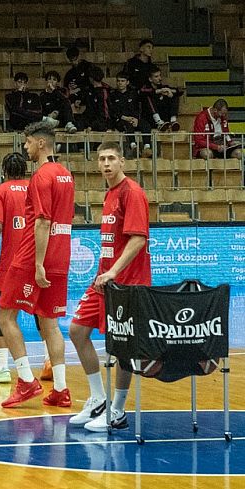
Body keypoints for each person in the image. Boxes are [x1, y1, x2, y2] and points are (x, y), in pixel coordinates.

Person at [67, 142, 151, 431]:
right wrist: (104, 273)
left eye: (111, 158)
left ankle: (118, 410)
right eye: (102, 159)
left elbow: (138, 239)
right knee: (77, 330)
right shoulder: (109, 193)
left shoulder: (132, 192)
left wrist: (114, 271)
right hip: (104, 281)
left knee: (122, 347)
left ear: (122, 162)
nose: (106, 163)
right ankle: (98, 399)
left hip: (127, 283)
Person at [0, 123, 75, 409]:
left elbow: (42, 221)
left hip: (34, 255)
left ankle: (26, 380)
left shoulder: (42, 176)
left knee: (5, 316)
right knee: (50, 322)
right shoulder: (66, 174)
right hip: (62, 254)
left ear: (41, 143)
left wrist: (38, 263)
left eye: (27, 142)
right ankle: (61, 389)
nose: (25, 148)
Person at [0, 152, 32, 384]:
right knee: (44, 316)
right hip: (36, 260)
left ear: (4, 170)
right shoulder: (35, 188)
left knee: (3, 316)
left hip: (12, 264)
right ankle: (52, 363)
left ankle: (2, 368)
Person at [142, 69, 184, 134]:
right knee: (148, 97)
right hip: (151, 119)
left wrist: (169, 91)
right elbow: (143, 91)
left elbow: (180, 91)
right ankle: (159, 122)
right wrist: (160, 91)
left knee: (174, 96)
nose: (160, 78)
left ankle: (173, 120)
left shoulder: (164, 87)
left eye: (160, 76)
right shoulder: (146, 88)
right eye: (156, 76)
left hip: (165, 117)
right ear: (150, 79)